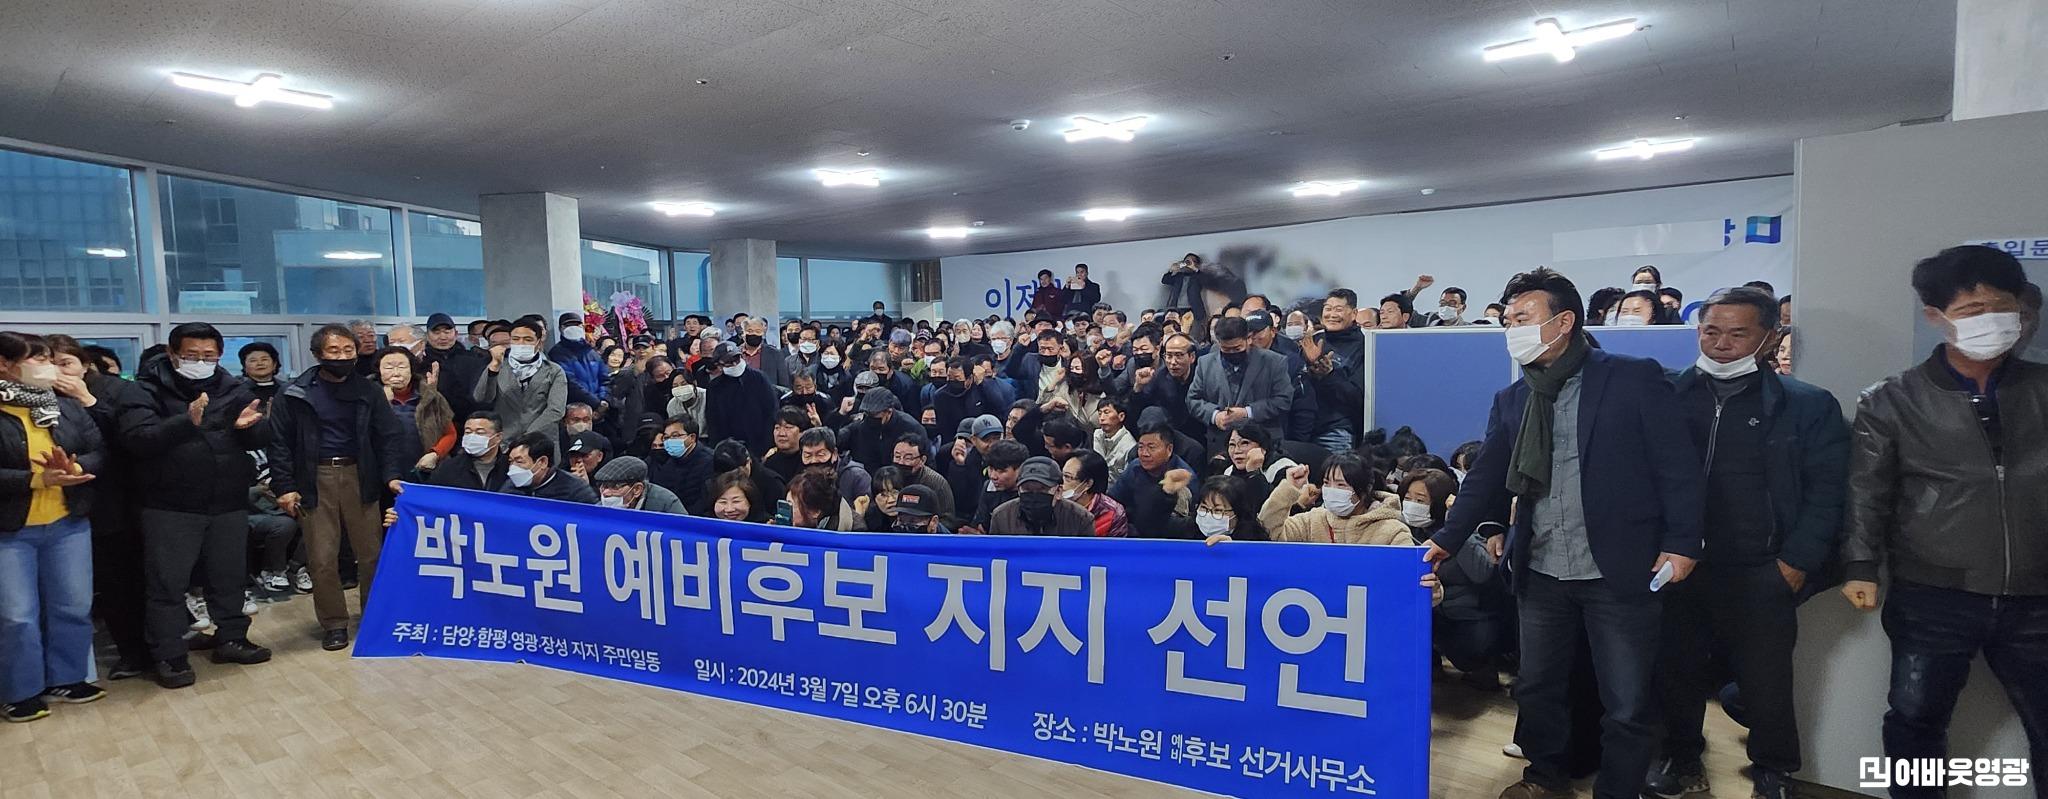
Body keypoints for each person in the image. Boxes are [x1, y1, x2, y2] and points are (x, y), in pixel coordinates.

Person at [1422, 268, 1705, 799]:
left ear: (1564, 321)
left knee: (1626, 699)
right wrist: (1445, 539)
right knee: (1537, 687)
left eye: (1523, 318)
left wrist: (1683, 542)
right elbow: (1486, 478)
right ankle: (1545, 778)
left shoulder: (1631, 378)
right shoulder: (1514, 398)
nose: (1513, 330)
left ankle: (1618, 790)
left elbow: (1677, 467)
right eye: (1508, 321)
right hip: (1541, 567)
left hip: (1619, 566)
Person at [1839, 245, 2048, 799]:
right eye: (1973, 310)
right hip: (1934, 593)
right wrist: (1859, 564)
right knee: (1915, 719)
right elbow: (1867, 490)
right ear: (1935, 316)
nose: (1992, 321)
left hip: (2040, 593)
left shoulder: (2044, 388)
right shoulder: (1892, 399)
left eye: (2003, 308)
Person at [1643, 286, 1849, 798]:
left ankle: (1774, 770)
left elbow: (1829, 492)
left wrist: (1796, 561)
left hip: (1762, 567)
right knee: (1675, 671)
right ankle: (1680, 757)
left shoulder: (1807, 404)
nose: (1721, 344)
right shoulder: (1666, 395)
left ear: (1769, 338)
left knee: (1766, 681)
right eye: (1711, 331)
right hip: (1680, 563)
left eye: (1737, 334)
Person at [118, 321, 276, 686]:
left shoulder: (232, 388)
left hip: (227, 501)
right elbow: (138, 440)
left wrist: (253, 428)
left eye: (209, 355)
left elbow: (254, 437)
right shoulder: (144, 390)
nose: (201, 362)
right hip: (170, 504)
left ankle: (232, 638)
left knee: (229, 578)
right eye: (192, 355)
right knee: (168, 585)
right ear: (173, 354)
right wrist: (186, 422)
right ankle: (169, 655)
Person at [265, 324, 410, 653]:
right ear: (317, 354)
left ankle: (375, 616)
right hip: (315, 478)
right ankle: (333, 623)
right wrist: (285, 486)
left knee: (371, 553)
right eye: (334, 351)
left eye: (348, 351)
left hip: (361, 474)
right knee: (322, 557)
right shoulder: (294, 393)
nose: (342, 357)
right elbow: (279, 444)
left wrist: (391, 475)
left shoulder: (368, 390)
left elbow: (388, 436)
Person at [0, 332, 106, 721]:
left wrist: (75, 468)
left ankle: (68, 678)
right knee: (17, 616)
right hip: (10, 530)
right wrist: (36, 480)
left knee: (73, 605)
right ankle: (21, 691)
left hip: (67, 522)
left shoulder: (62, 405)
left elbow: (98, 450)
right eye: (39, 359)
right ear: (5, 364)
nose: (49, 366)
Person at [1186, 316, 1291, 456]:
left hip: (1264, 443)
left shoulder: (1274, 362)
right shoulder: (1205, 364)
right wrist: (1215, 416)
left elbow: (1283, 400)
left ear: (1248, 339)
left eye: (1237, 348)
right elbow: (1192, 400)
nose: (1231, 353)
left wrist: (1247, 412)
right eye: (1226, 349)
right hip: (1220, 445)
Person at [475, 317, 568, 449]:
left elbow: (556, 410)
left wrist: (527, 436)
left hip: (542, 440)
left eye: (528, 339)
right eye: (516, 339)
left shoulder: (553, 370)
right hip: (506, 441)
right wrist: (493, 368)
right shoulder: (499, 366)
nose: (521, 343)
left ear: (538, 342)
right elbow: (482, 398)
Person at [376, 346, 456, 478]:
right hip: (382, 472)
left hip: (426, 470)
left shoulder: (431, 396)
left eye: (402, 367)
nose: (396, 373)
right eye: (388, 368)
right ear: (379, 371)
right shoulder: (368, 397)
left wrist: (435, 454)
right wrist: (383, 403)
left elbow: (450, 433)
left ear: (411, 370)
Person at [1302, 289, 1366, 452]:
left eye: (1338, 309)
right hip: (1303, 429)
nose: (1332, 314)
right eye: (1328, 309)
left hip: (1336, 432)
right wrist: (1308, 364)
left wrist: (1330, 375)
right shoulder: (1314, 340)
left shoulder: (1364, 346)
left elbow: (1358, 398)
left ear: (1354, 314)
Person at [1110, 418, 1195, 538]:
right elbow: (1112, 502)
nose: (1144, 453)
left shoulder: (1182, 477)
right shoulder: (1134, 467)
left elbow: (1178, 525)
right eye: (1141, 447)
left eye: (1151, 447)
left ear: (1169, 449)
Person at [989, 456, 1092, 536]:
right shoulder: (1001, 517)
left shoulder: (1081, 519)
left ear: (1058, 491)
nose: (1034, 495)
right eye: (1027, 489)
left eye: (1042, 489)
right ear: (1019, 490)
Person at [703, 341, 777, 453]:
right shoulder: (714, 387)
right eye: (728, 362)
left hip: (761, 446)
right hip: (730, 450)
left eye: (736, 359)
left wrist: (769, 446)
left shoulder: (759, 378)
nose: (734, 364)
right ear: (719, 365)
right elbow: (713, 423)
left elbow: (771, 412)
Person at [837, 387, 921, 473]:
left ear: (889, 412)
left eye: (874, 414)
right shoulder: (859, 427)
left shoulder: (910, 427)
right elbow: (835, 441)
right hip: (865, 478)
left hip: (900, 478)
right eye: (868, 413)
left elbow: (923, 460)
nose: (870, 418)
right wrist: (840, 414)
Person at [499, 431, 598, 504]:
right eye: (511, 462)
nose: (513, 467)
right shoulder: (510, 486)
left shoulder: (574, 489)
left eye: (519, 462)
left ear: (542, 462)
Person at [421, 312, 487, 421]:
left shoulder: (473, 359)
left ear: (456, 334)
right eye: (436, 332)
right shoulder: (422, 362)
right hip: (436, 420)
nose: (443, 337)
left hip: (471, 420)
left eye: (447, 332)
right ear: (427, 336)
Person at [430, 411, 511, 491]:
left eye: (480, 432)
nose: (472, 437)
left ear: (498, 437)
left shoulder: (509, 467)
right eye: (468, 432)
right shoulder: (448, 468)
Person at [889, 433, 956, 527]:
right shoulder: (888, 478)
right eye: (897, 456)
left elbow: (948, 520)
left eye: (908, 458)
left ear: (922, 460)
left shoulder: (936, 482)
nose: (901, 462)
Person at [646, 414, 712, 509]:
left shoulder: (709, 461)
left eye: (675, 436)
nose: (670, 441)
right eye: (666, 437)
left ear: (692, 437)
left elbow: (706, 501)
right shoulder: (667, 460)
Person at [1060, 449, 1130, 538]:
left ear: (1088, 484)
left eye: (1067, 477)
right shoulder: (1054, 503)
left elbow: (1115, 546)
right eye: (1062, 475)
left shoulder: (1113, 513)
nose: (1060, 482)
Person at [965, 439, 1030, 533]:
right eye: (991, 469)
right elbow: (980, 524)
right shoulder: (988, 487)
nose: (993, 476)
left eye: (1001, 471)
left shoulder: (1031, 493)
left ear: (1020, 469)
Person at [1219, 422, 1299, 499]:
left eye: (1244, 443)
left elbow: (1273, 505)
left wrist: (1255, 473)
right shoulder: (1229, 472)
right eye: (1232, 445)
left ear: (1263, 447)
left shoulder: (1284, 470)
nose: (1236, 451)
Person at [798, 425, 872, 506]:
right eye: (807, 456)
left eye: (820, 455)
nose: (814, 460)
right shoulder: (801, 478)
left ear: (834, 453)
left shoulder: (857, 477)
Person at [547, 312, 607, 410]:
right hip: (574, 409)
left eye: (577, 325)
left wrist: (603, 400)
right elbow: (570, 383)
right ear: (560, 329)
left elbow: (605, 378)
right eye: (568, 325)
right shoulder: (557, 353)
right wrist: (595, 403)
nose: (573, 328)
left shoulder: (591, 352)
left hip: (600, 407)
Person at [591, 455, 686, 513]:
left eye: (615, 487)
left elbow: (685, 533)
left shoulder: (666, 504)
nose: (606, 493)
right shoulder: (600, 508)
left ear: (637, 489)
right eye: (603, 486)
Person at [787, 465, 858, 531]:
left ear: (815, 512)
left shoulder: (855, 531)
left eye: (792, 506)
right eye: (786, 503)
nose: (786, 511)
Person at [738, 317, 792, 392]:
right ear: (743, 333)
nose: (754, 334)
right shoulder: (734, 354)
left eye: (758, 331)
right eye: (750, 331)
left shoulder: (775, 354)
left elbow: (784, 386)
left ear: (763, 333)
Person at [1091, 397, 1136, 475]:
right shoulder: (1098, 434)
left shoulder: (1130, 446)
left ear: (1121, 416)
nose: (1101, 418)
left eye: (1106, 412)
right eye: (1100, 413)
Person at [762, 407, 807, 482]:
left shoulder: (808, 460)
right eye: (777, 428)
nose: (781, 434)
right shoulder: (769, 463)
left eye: (788, 427)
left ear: (802, 433)